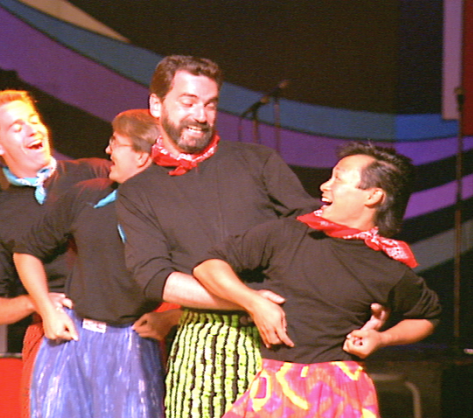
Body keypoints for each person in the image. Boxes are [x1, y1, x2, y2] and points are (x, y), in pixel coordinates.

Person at [116, 55, 386, 418]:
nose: (201, 115)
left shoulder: (257, 161)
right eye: (188, 102)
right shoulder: (139, 192)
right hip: (206, 349)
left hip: (287, 338)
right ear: (156, 104)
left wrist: (363, 285)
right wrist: (249, 300)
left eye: (210, 104)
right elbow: (155, 279)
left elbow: (316, 228)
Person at [193, 142, 442, 417]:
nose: (325, 186)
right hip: (272, 387)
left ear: (372, 196)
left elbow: (426, 317)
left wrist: (382, 339)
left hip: (339, 391)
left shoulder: (388, 269)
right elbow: (208, 265)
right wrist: (253, 302)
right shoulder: (287, 234)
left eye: (338, 178)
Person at [13, 109, 169, 418]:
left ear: (141, 156)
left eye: (116, 143)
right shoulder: (87, 195)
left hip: (133, 346)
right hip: (72, 340)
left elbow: (207, 275)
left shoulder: (174, 210)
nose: (107, 150)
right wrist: (46, 310)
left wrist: (172, 318)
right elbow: (25, 251)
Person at [0, 89, 111, 416]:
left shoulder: (95, 173)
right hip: (55, 338)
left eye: (34, 120)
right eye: (17, 127)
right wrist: (37, 301)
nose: (33, 130)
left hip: (119, 325)